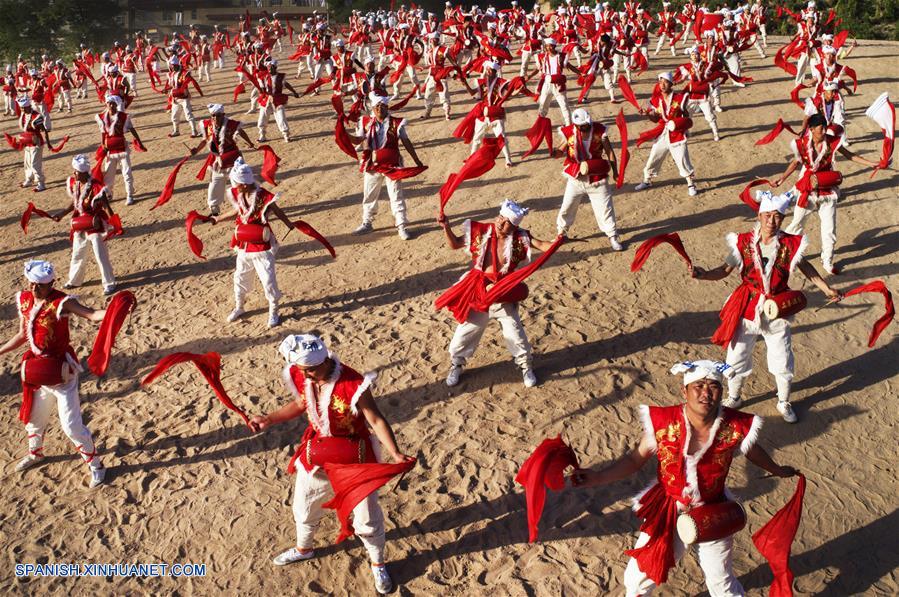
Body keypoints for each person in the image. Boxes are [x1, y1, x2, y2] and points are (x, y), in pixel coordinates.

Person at [570, 359, 800, 597]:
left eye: (713, 387)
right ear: (685, 390)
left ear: (721, 392)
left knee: (722, 584)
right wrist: (596, 477)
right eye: (698, 386)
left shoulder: (734, 425)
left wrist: (778, 470)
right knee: (638, 579)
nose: (706, 393)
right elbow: (634, 461)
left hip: (713, 510)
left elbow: (753, 451)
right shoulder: (663, 422)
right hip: (668, 509)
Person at [249, 334, 411, 595]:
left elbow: (376, 419)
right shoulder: (304, 375)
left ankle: (377, 563)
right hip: (318, 453)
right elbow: (300, 403)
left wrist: (394, 452)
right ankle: (305, 548)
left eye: (311, 369)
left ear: (325, 359)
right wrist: (269, 418)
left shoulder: (353, 383)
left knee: (367, 519)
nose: (308, 375)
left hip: (356, 459)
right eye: (303, 371)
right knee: (304, 506)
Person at [689, 191, 842, 422]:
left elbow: (806, 268)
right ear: (759, 216)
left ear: (782, 218)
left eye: (777, 216)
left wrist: (826, 289)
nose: (772, 221)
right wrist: (702, 275)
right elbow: (723, 270)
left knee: (782, 358)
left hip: (777, 310)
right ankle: (735, 396)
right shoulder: (742, 243)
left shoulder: (790, 244)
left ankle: (783, 401)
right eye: (768, 215)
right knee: (737, 355)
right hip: (747, 307)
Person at [0, 260, 109, 488]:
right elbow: (22, 334)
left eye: (40, 285)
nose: (34, 289)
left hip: (62, 373)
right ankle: (36, 453)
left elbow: (91, 315)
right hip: (37, 370)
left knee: (71, 426)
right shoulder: (26, 299)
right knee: (34, 418)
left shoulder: (63, 302)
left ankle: (97, 465)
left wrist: (114, 309)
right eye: (32, 284)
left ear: (52, 284)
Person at [438, 200, 557, 388]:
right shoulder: (481, 231)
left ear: (515, 226)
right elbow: (454, 244)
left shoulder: (521, 237)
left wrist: (559, 240)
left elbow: (543, 244)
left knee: (515, 333)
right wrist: (446, 227)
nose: (501, 223)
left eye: (507, 222)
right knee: (465, 332)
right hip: (478, 291)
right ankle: (457, 364)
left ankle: (525, 366)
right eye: (500, 218)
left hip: (503, 292)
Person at [771, 113, 881, 275]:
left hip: (827, 190)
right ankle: (785, 255)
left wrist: (872, 163)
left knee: (829, 229)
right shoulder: (801, 145)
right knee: (797, 224)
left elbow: (849, 155)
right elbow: (795, 162)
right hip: (807, 189)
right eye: (820, 128)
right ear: (811, 129)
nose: (824, 131)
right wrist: (781, 179)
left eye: (825, 127)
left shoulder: (832, 143)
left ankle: (827, 260)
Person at [209, 158, 295, 328]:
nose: (234, 186)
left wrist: (289, 224)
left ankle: (274, 310)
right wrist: (217, 219)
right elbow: (237, 211)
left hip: (261, 242)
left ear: (244, 184)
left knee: (268, 278)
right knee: (240, 275)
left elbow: (277, 210)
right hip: (243, 241)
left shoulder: (263, 196)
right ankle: (239, 306)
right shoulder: (239, 193)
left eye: (236, 183)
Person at [345, 93, 424, 240]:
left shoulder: (396, 123)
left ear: (387, 108)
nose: (380, 109)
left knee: (396, 195)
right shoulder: (365, 122)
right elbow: (357, 140)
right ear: (373, 109)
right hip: (372, 165)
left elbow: (406, 141)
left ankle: (401, 225)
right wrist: (344, 134)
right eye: (377, 107)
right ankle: (367, 223)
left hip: (392, 166)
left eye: (383, 106)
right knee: (369, 194)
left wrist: (416, 159)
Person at [556, 108, 623, 250]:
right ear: (576, 125)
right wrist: (554, 152)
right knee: (567, 206)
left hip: (597, 178)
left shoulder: (599, 131)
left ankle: (612, 236)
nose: (585, 127)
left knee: (605, 208)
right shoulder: (569, 133)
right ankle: (561, 232)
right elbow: (561, 149)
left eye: (586, 124)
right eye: (582, 126)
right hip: (576, 178)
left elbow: (609, 152)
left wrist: (615, 172)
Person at [54, 155, 118, 295]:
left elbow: (106, 206)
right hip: (80, 223)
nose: (74, 174)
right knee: (77, 253)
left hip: (95, 224)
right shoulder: (75, 184)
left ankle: (109, 283)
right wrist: (62, 213)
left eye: (76, 171)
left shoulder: (96, 187)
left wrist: (114, 222)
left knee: (100, 255)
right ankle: (74, 280)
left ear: (84, 172)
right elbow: (75, 203)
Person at [634, 71, 697, 197]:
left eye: (665, 82)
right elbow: (656, 119)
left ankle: (691, 183)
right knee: (654, 155)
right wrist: (648, 114)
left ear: (671, 83)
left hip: (676, 133)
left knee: (682, 158)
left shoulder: (680, 98)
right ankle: (647, 180)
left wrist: (684, 127)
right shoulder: (656, 100)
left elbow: (687, 116)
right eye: (660, 82)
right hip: (663, 132)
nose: (662, 85)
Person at [190, 103, 256, 216]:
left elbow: (241, 132)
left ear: (223, 115)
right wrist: (196, 150)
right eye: (213, 116)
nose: (216, 118)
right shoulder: (207, 125)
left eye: (219, 115)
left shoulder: (231, 124)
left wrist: (249, 142)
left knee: (240, 184)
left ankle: (248, 206)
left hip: (233, 159)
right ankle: (214, 210)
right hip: (217, 161)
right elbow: (205, 140)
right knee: (215, 185)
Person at [96, 94, 144, 206]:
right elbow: (103, 132)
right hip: (110, 150)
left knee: (127, 172)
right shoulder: (102, 117)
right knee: (109, 174)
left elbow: (132, 129)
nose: (111, 105)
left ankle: (129, 195)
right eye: (109, 103)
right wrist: (103, 144)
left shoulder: (124, 117)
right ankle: (109, 194)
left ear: (117, 105)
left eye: (113, 103)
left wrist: (139, 142)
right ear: (106, 104)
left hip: (122, 148)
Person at [15, 98, 51, 192]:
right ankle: (29, 179)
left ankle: (41, 183)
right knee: (27, 163)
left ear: (29, 106)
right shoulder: (23, 115)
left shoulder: (36, 116)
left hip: (36, 143)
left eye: (24, 108)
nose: (22, 110)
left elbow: (44, 130)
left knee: (35, 164)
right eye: (21, 108)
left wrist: (49, 143)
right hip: (27, 142)